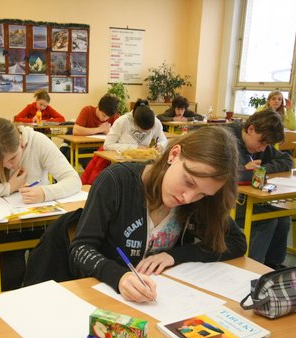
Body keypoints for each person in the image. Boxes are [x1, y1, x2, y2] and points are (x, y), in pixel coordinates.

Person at [70, 126, 246, 302]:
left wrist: (175, 256)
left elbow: (237, 242)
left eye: (203, 194)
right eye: (189, 182)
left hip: (164, 298)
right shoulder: (116, 182)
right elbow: (80, 249)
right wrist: (118, 276)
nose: (188, 198)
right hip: (106, 296)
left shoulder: (200, 201)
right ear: (174, 155)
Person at [0, 118, 81, 290]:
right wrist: (8, 188)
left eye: (13, 158)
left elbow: (73, 180)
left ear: (21, 143)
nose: (8, 165)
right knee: (10, 273)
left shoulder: (38, 142)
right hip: (3, 222)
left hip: (38, 219)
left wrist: (44, 193)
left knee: (46, 269)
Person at [227, 109, 293, 269]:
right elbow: (221, 175)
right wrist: (243, 170)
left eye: (267, 145)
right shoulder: (226, 140)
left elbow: (287, 160)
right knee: (265, 220)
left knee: (282, 217)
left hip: (246, 198)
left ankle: (272, 265)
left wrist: (262, 169)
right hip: (224, 201)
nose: (263, 149)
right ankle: (251, 267)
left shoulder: (259, 144)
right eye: (262, 143)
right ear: (251, 129)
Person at [103, 99, 168, 152]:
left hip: (145, 158)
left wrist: (161, 145)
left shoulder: (155, 121)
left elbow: (163, 140)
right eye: (142, 130)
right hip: (123, 159)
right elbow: (107, 145)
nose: (145, 132)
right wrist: (135, 148)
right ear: (135, 122)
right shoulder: (122, 121)